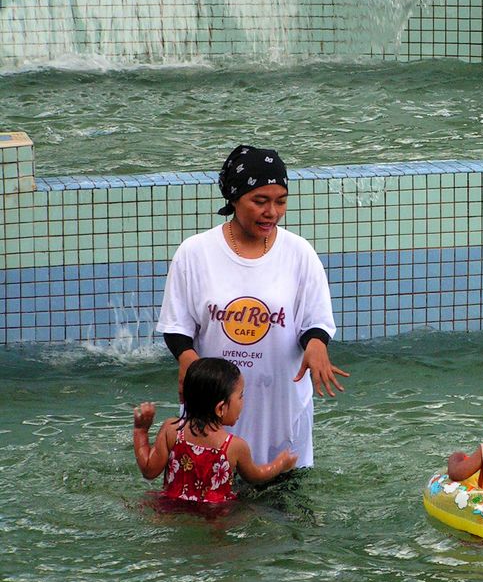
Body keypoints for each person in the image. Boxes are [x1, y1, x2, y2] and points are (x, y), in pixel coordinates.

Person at [156, 145, 347, 469]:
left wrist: (316, 345)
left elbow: (315, 321)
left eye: (280, 201)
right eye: (260, 201)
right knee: (209, 510)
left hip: (280, 408)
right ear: (233, 197)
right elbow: (177, 327)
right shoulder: (195, 253)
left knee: (284, 509)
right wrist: (188, 360)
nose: (271, 211)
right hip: (212, 413)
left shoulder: (299, 254)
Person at [133, 358, 298, 502]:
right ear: (220, 408)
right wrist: (280, 464)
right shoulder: (235, 446)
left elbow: (149, 470)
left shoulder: (172, 430)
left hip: (171, 507)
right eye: (240, 396)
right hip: (216, 517)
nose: (243, 401)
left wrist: (141, 431)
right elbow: (256, 476)